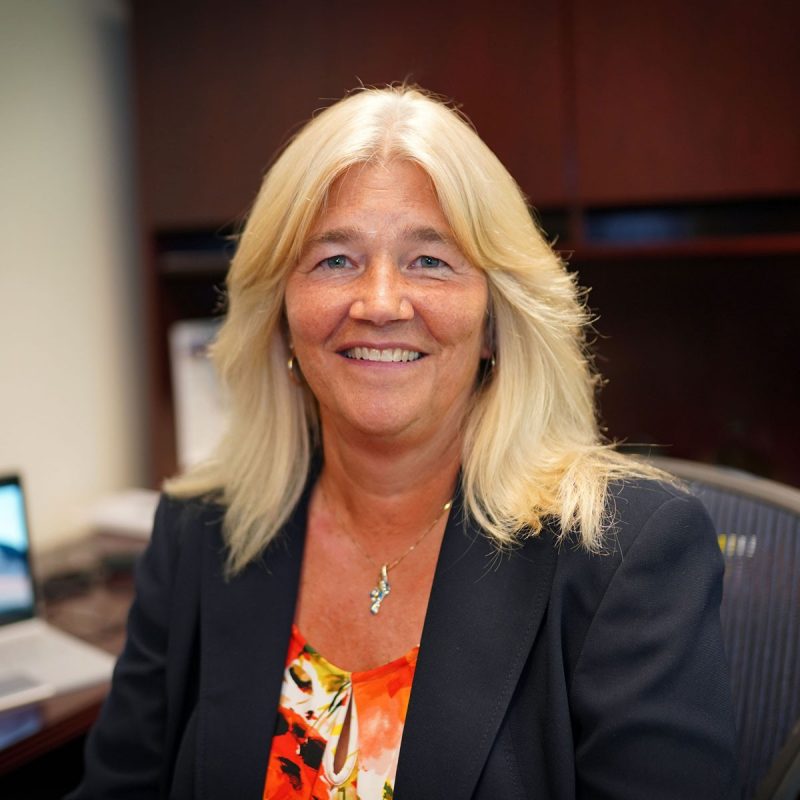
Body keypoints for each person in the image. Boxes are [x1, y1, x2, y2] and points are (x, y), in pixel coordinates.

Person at [68, 85, 738, 799]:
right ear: (281, 314)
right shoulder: (200, 531)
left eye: (429, 261)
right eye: (335, 260)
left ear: (494, 319)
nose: (381, 304)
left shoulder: (625, 552)